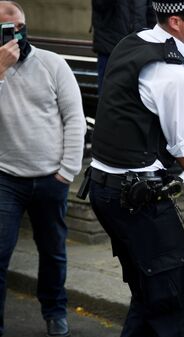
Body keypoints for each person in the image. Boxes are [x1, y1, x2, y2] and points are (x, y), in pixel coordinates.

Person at [86, 1, 184, 336]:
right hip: (138, 201)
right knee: (179, 306)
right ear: (176, 21)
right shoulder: (173, 73)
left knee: (150, 299)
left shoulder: (135, 42)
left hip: (104, 190)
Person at [0, 2, 86, 336]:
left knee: (53, 252)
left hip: (51, 176)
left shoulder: (52, 64)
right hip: (6, 177)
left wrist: (66, 171)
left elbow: (75, 119)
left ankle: (55, 312)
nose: (14, 35)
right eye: (6, 30)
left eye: (18, 27)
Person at [91, 0, 156, 93]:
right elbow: (100, 4)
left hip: (138, 50)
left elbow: (152, 14)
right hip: (109, 49)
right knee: (108, 96)